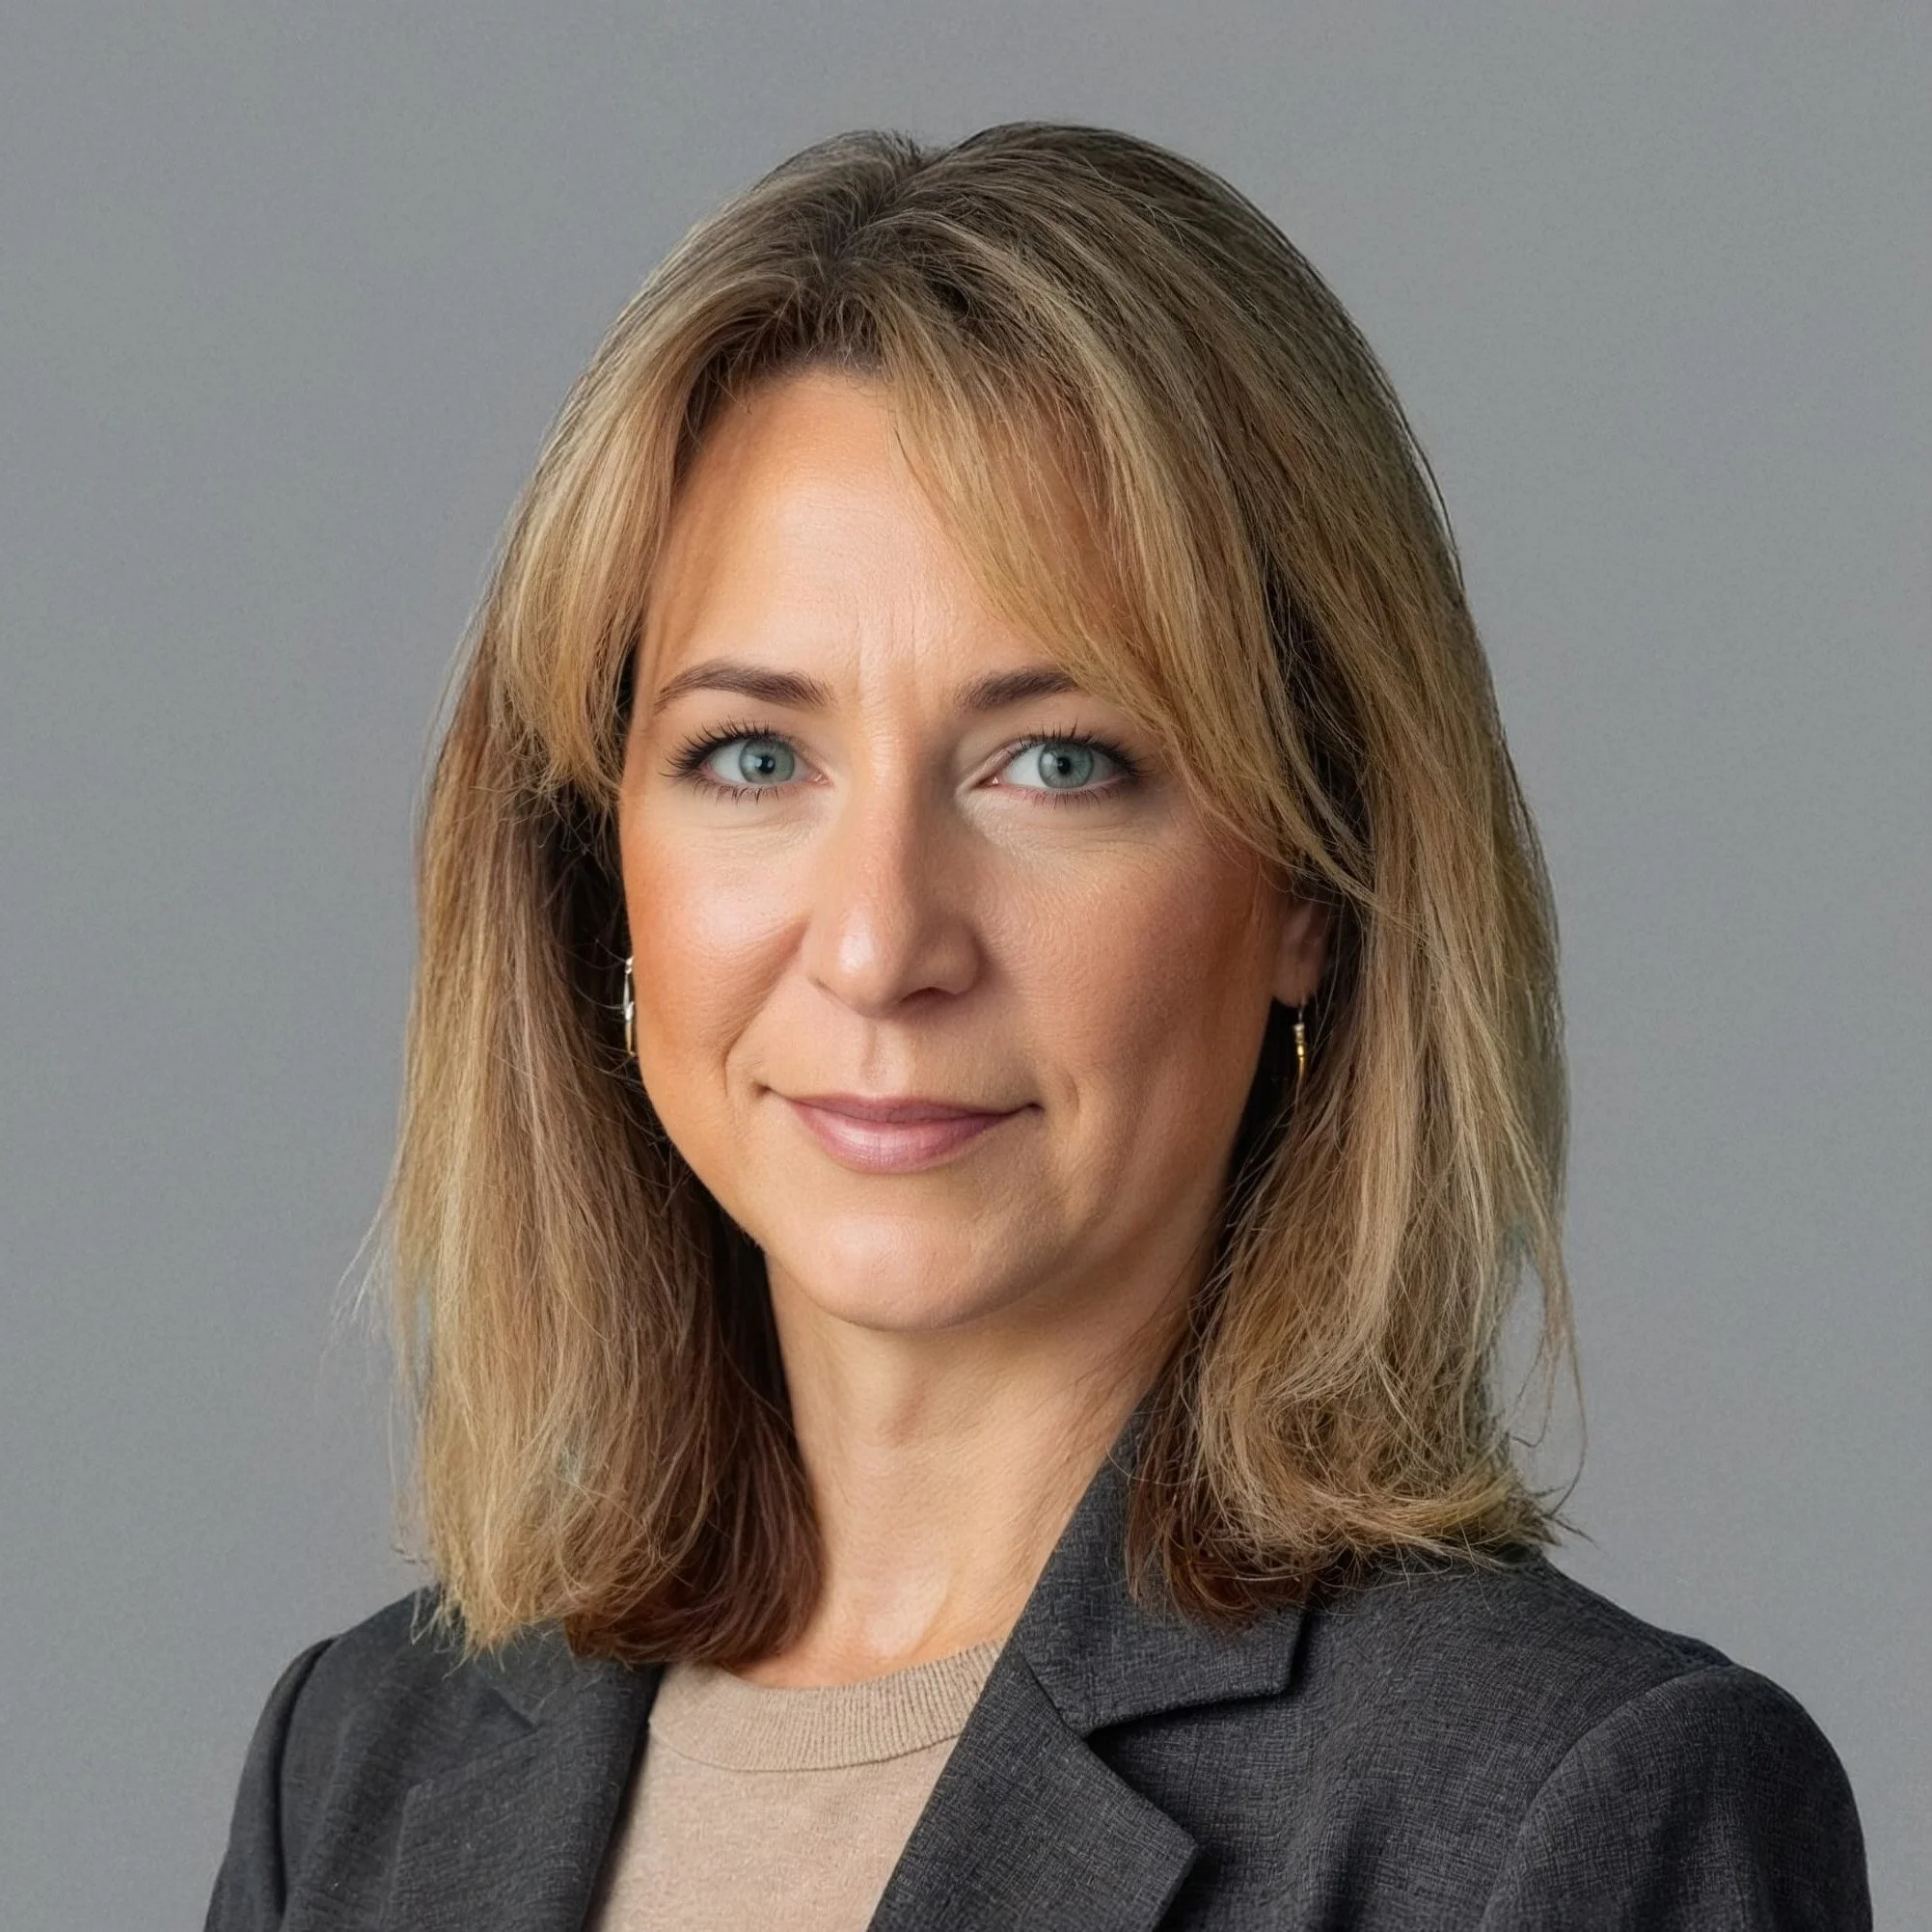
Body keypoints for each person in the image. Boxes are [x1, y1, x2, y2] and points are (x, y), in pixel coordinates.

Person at [204, 123, 1868, 1930]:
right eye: (751, 756)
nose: (878, 942)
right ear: (598, 877)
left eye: (1054, 762)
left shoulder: (1573, 1811)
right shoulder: (362, 1768)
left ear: (1310, 885)